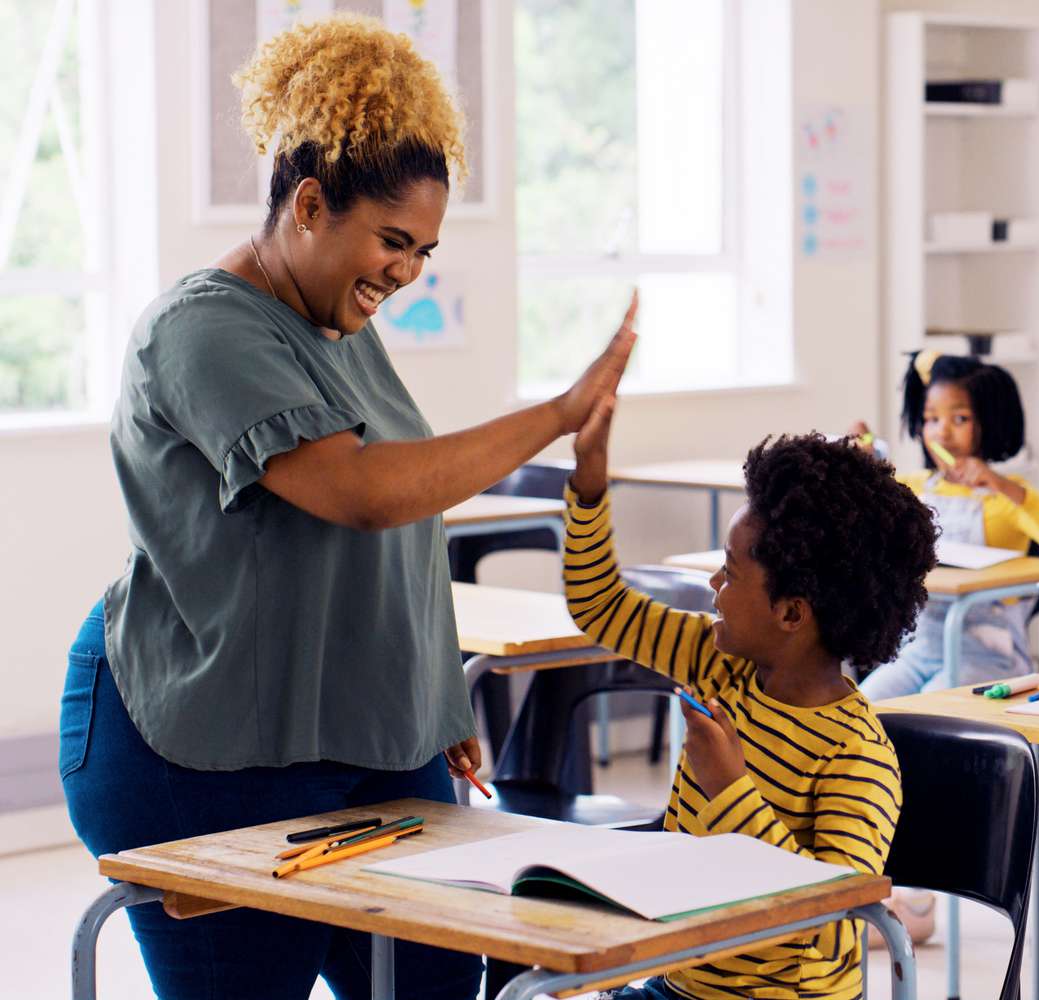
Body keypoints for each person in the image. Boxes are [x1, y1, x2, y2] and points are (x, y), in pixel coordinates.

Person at [59, 15, 634, 999]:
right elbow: (360, 494)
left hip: (360, 733)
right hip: (196, 744)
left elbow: (411, 504)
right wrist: (554, 413)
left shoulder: (336, 323)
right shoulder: (201, 330)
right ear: (312, 204)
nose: (407, 273)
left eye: (425, 250)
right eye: (394, 241)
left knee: (440, 985)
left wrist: (429, 693)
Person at [564, 397, 938, 1000]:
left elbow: (838, 931)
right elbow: (600, 607)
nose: (713, 584)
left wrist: (730, 790)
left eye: (731, 573)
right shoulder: (721, 662)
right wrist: (587, 490)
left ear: (791, 612)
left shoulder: (856, 756)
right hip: (677, 985)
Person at [851, 351, 1039, 700]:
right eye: (931, 419)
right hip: (919, 650)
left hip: (990, 657)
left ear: (989, 423)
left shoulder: (1003, 496)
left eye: (960, 419)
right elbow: (864, 505)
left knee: (927, 713)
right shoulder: (915, 487)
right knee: (865, 706)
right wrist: (862, 460)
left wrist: (1004, 487)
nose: (942, 433)